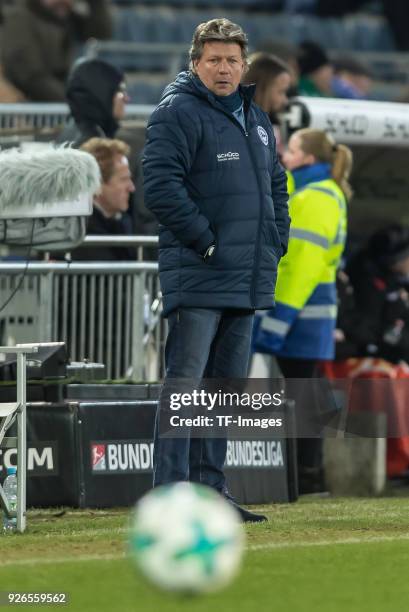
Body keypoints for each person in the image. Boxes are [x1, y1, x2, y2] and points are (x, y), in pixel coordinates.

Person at [143, 18, 290, 521]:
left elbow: (276, 185)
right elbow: (160, 187)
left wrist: (274, 242)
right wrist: (206, 243)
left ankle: (210, 493)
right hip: (201, 273)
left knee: (223, 391)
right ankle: (169, 495)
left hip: (245, 277)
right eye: (214, 60)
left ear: (244, 66)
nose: (224, 69)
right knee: (184, 385)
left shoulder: (256, 117)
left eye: (232, 60)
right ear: (195, 64)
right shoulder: (175, 113)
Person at [253, 128, 352, 491]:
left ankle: (307, 476)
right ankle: (309, 475)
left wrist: (280, 319)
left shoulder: (317, 197)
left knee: (302, 392)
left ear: (308, 158)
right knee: (306, 389)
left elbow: (303, 267)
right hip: (304, 311)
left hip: (301, 312)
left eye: (292, 150)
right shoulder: (314, 192)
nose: (285, 156)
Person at [1, 0, 112, 101]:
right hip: (18, 108)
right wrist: (73, 101)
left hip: (50, 104)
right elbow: (31, 76)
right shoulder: (18, 17)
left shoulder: (61, 16)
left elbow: (101, 32)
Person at [345, 224, 409, 364]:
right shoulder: (369, 285)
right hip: (372, 360)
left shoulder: (395, 282)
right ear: (394, 261)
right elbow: (368, 329)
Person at [71, 138, 135, 261]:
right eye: (123, 179)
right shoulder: (82, 233)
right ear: (97, 185)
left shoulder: (117, 222)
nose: (131, 188)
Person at [57, 59, 128, 149]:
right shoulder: (90, 145)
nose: (127, 98)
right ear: (102, 94)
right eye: (120, 90)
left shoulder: (79, 130)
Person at [242, 52, 292, 154]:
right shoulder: (243, 126)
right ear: (262, 89)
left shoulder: (273, 123)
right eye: (281, 91)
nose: (285, 100)